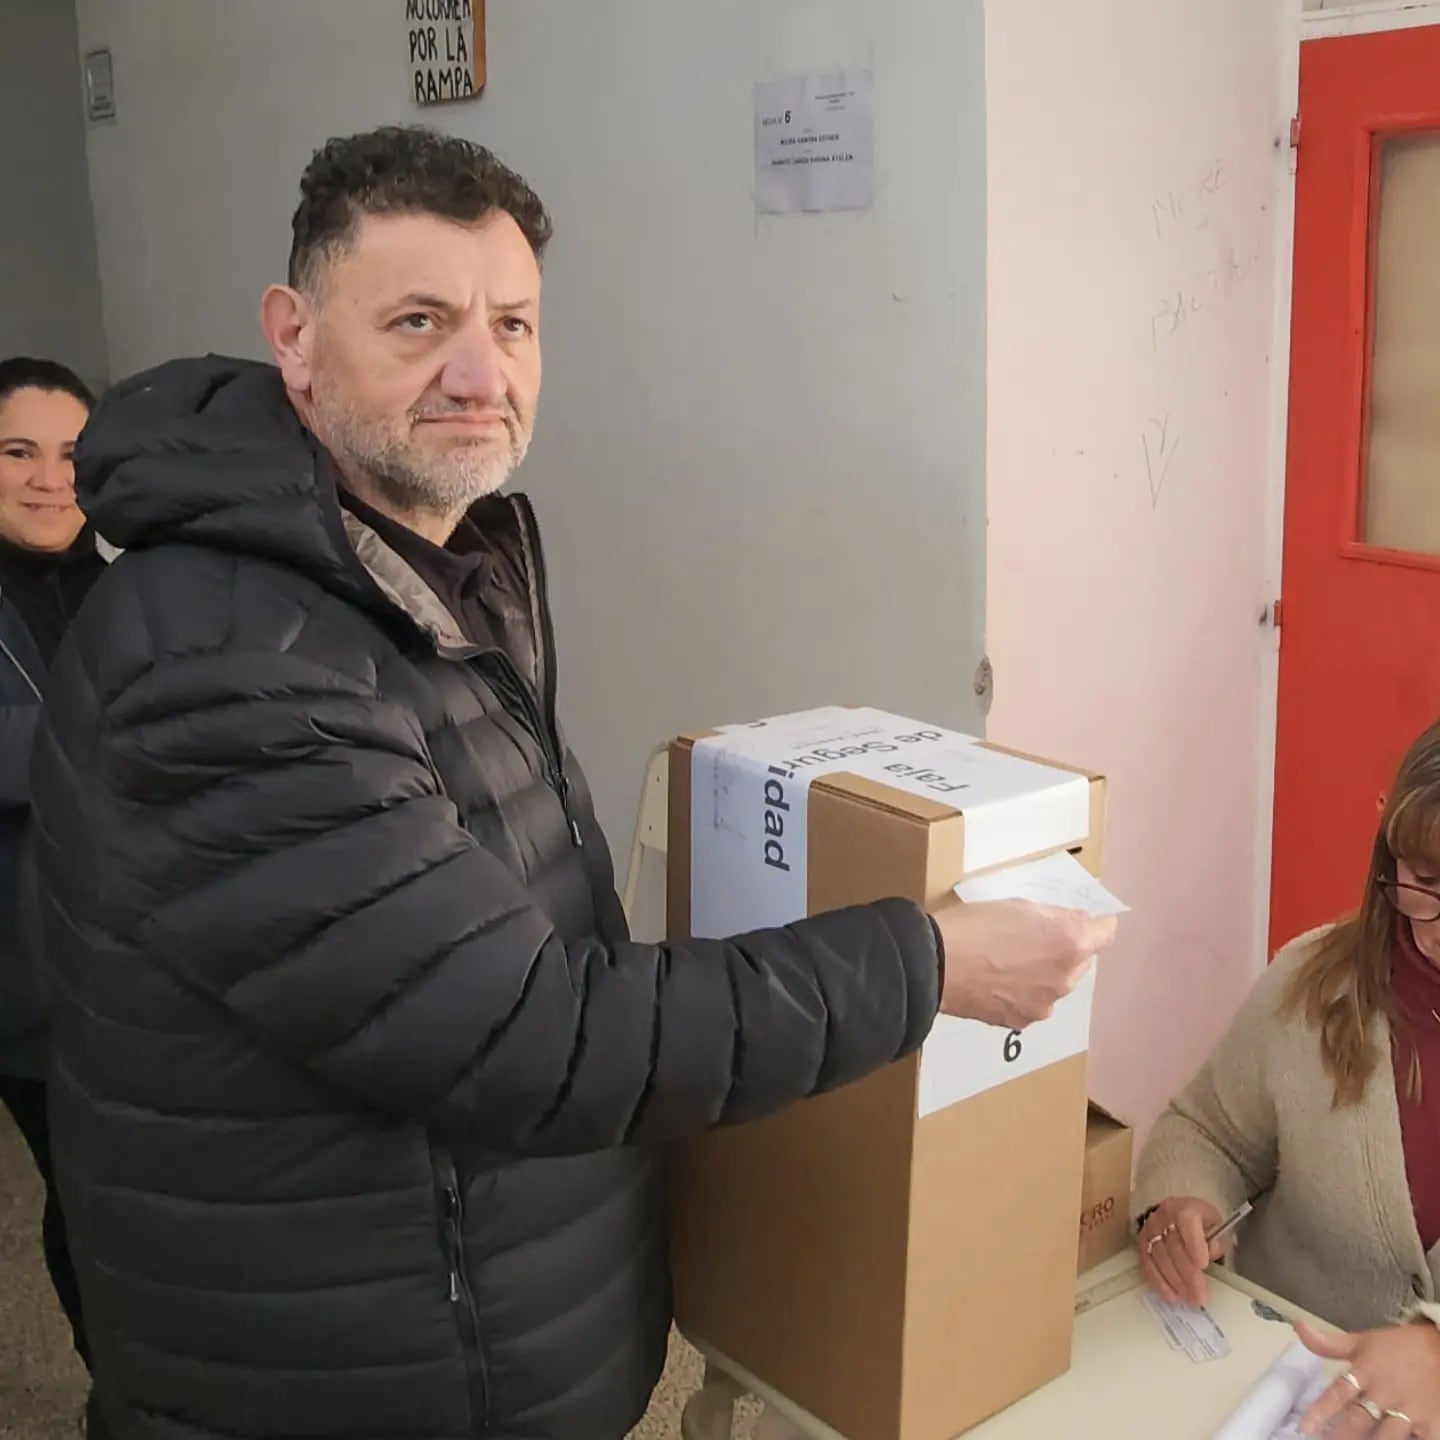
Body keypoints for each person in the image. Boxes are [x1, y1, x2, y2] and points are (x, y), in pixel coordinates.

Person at [30, 126, 1117, 1440]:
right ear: (296, 338)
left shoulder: (422, 567)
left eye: (515, 323)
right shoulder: (226, 660)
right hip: (354, 1379)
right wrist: (932, 967)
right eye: (420, 320)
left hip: (467, 1322)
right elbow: (533, 1039)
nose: (481, 372)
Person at [1132, 720, 1440, 1438]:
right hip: (1275, 1387)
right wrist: (1182, 1205)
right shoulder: (1313, 982)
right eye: (1426, 882)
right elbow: (1206, 1132)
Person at [0, 359, 105, 1378]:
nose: (48, 478)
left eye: (71, 452)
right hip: (32, 982)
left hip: (151, 963)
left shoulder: (126, 586)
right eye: (17, 451)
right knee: (87, 1202)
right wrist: (108, 728)